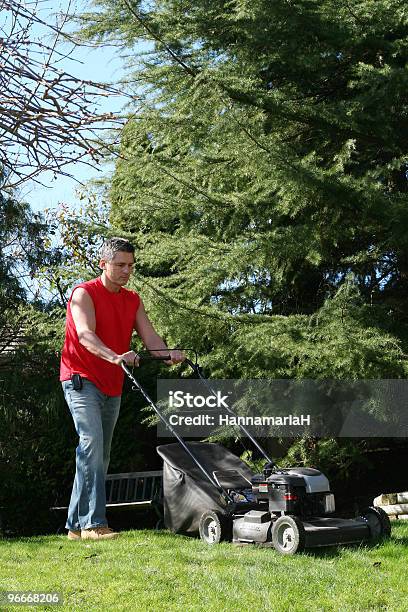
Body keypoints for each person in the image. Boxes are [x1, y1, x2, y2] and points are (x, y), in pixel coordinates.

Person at [60, 237, 185, 540]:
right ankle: (93, 524)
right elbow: (86, 336)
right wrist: (116, 356)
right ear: (103, 264)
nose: (126, 270)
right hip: (80, 378)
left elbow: (151, 338)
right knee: (91, 445)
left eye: (130, 265)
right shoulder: (83, 294)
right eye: (119, 265)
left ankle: (75, 527)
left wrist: (167, 354)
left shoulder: (132, 300)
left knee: (99, 455)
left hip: (111, 384)